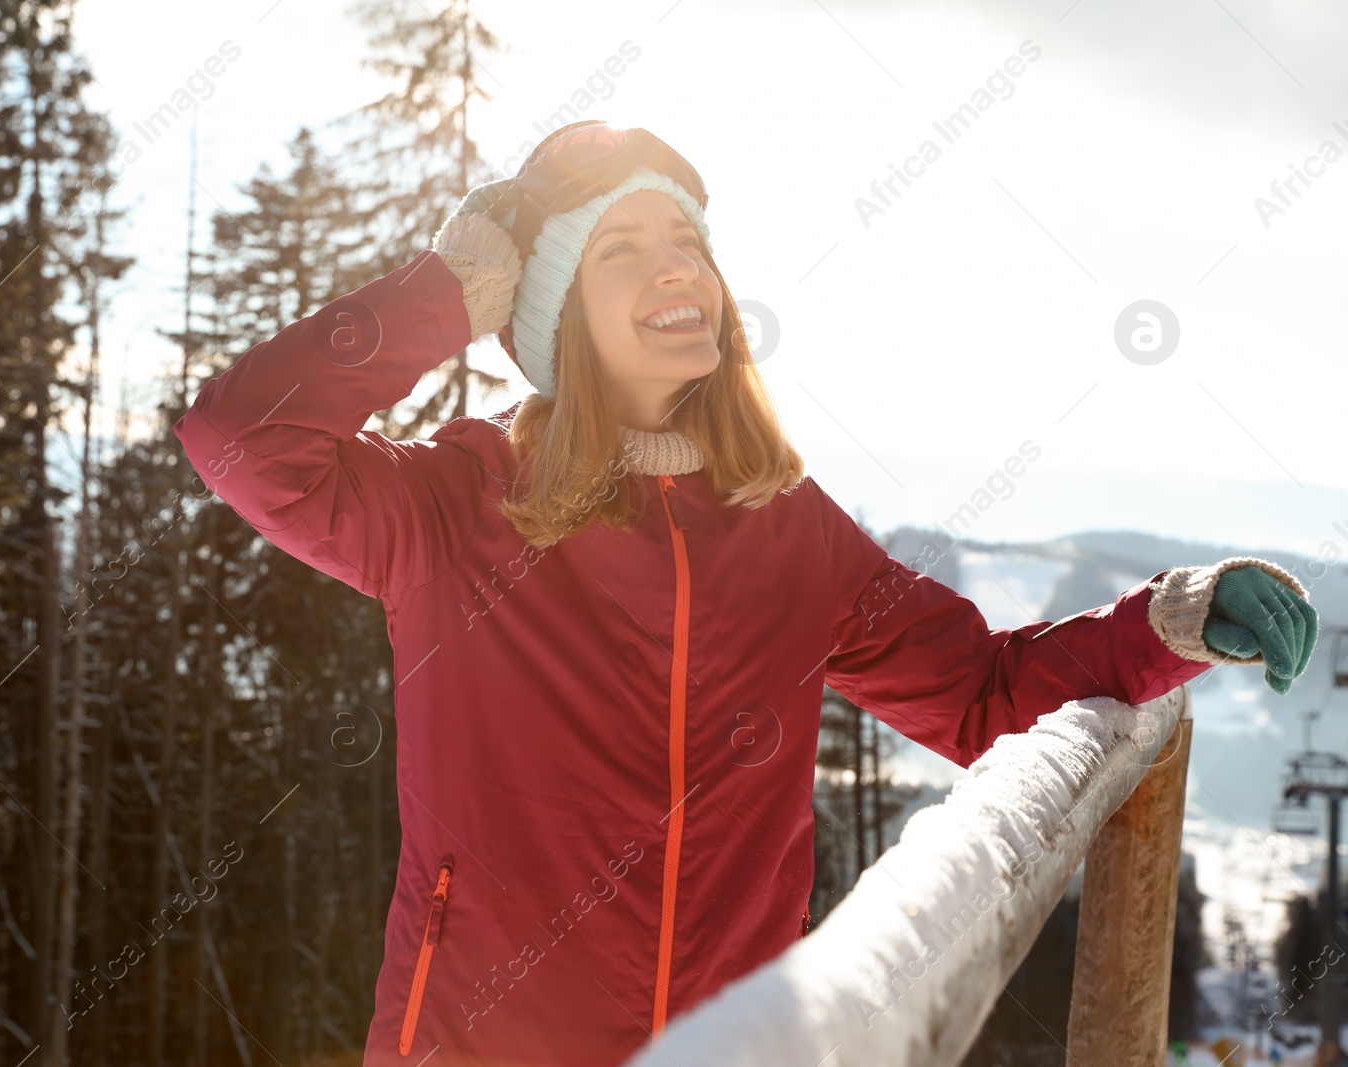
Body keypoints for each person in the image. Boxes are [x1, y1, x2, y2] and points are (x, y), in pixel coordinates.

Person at [172, 120, 1318, 1067]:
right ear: (550, 310)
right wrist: (446, 291)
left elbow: (982, 693)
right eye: (620, 248)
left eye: (688, 240)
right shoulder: (459, 504)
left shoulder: (787, 530)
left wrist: (1167, 622)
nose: (676, 266)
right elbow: (239, 436)